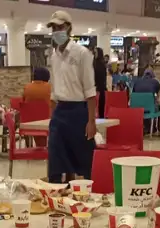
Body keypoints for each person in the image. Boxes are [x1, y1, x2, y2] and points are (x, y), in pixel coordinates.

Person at [46, 10, 96, 183]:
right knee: (55, 160)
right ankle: (54, 197)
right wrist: (52, 117)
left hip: (78, 112)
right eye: (53, 28)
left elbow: (90, 91)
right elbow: (54, 90)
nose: (56, 31)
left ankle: (85, 196)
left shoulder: (82, 53)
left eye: (59, 27)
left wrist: (91, 121)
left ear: (68, 28)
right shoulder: (54, 56)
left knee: (83, 160)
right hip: (60, 112)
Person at [93, 47, 108, 118]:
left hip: (97, 88)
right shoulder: (102, 64)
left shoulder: (96, 64)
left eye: (95, 52)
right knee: (99, 107)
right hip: (100, 88)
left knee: (98, 106)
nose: (94, 54)